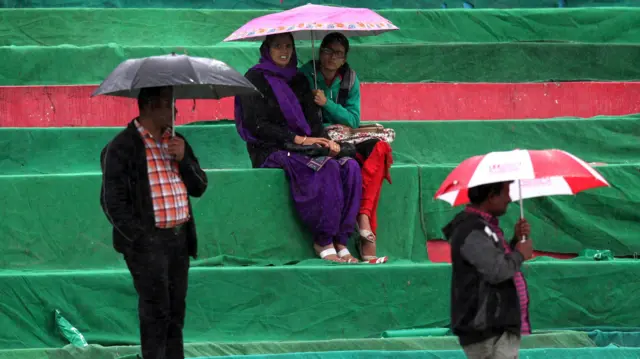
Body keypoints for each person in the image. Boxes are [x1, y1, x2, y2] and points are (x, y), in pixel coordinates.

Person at [234, 32, 363, 263]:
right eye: (277, 46)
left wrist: (326, 141)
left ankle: (341, 241)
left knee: (349, 165)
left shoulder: (299, 79)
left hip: (304, 146)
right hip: (270, 148)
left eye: (288, 46)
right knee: (326, 168)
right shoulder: (254, 79)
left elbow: (313, 123)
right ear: (266, 48)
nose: (284, 51)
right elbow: (257, 125)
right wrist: (299, 140)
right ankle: (323, 240)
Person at [99, 86, 208, 359]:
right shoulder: (121, 146)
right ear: (149, 106)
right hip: (147, 243)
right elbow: (112, 203)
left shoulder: (178, 141)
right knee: (155, 311)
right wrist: (140, 240)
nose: (176, 110)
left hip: (179, 239)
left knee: (175, 310)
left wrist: (184, 160)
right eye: (170, 104)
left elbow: (199, 186)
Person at [300, 32, 392, 262]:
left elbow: (352, 119)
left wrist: (326, 103)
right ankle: (360, 228)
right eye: (327, 51)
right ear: (319, 52)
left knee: (381, 149)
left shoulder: (350, 79)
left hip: (345, 135)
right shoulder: (305, 75)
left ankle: (364, 215)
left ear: (344, 58)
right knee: (349, 165)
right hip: (318, 135)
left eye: (338, 54)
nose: (331, 57)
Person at [442, 181, 533, 359]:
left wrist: (515, 242)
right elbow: (496, 271)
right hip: (488, 329)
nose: (509, 199)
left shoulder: (484, 227)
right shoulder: (471, 230)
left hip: (496, 328)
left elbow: (493, 260)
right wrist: (520, 255)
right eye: (506, 193)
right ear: (491, 196)